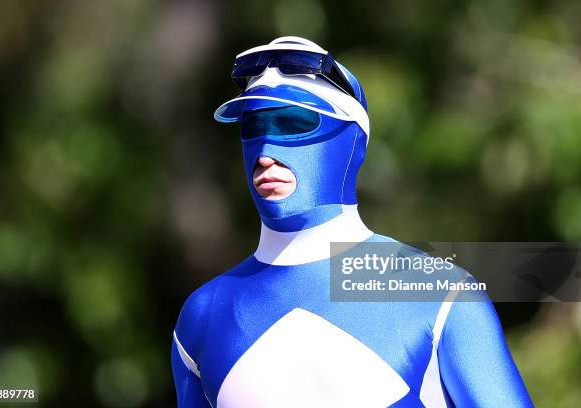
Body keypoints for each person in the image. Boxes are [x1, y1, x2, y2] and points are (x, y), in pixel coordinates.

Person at [172, 37, 534, 407]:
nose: (265, 152)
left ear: (353, 141)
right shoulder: (202, 316)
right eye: (253, 127)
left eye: (293, 122)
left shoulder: (439, 294)